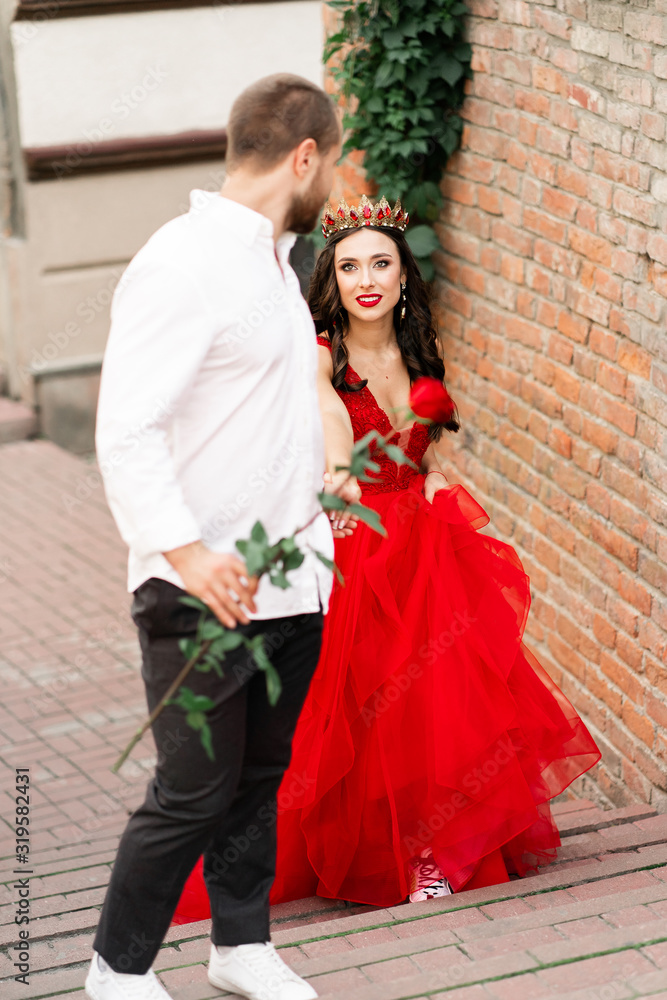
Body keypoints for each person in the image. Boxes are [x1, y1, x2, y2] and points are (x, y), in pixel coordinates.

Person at [173, 195, 601, 922]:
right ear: (330, 281)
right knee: (369, 703)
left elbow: (420, 457)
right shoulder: (316, 354)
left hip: (425, 539)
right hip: (358, 538)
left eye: (380, 262)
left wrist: (440, 490)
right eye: (347, 266)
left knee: (442, 701)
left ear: (404, 277)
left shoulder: (415, 353)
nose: (364, 278)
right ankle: (368, 850)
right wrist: (343, 478)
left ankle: (431, 853)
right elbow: (331, 438)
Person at [86, 74, 346, 1000]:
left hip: (290, 579)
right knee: (190, 792)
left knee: (255, 779)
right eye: (334, 160)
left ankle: (240, 948)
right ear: (304, 156)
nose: (336, 183)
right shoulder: (181, 261)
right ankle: (116, 968)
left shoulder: (276, 263)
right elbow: (126, 428)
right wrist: (189, 555)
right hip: (197, 587)